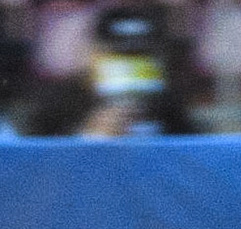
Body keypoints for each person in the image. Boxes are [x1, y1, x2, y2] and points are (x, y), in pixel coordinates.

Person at [17, 5, 196, 138]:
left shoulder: (168, 104)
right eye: (117, 55)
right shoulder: (59, 102)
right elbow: (33, 169)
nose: (129, 65)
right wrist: (90, 138)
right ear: (91, 53)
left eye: (140, 56)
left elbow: (193, 162)